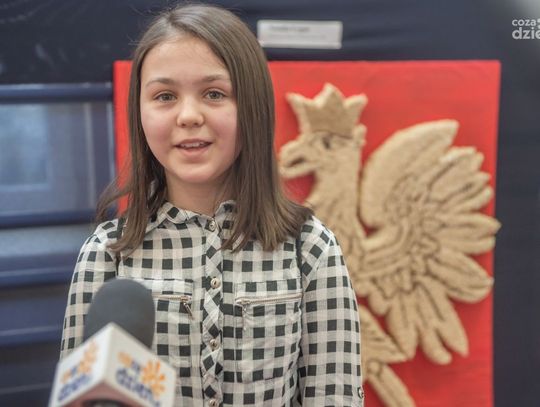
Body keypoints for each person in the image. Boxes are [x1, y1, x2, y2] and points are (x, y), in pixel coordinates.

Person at [60, 3, 364, 406]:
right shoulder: (107, 254)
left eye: (214, 94)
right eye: (165, 96)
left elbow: (335, 395)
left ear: (253, 107)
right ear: (140, 112)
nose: (188, 116)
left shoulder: (310, 247)